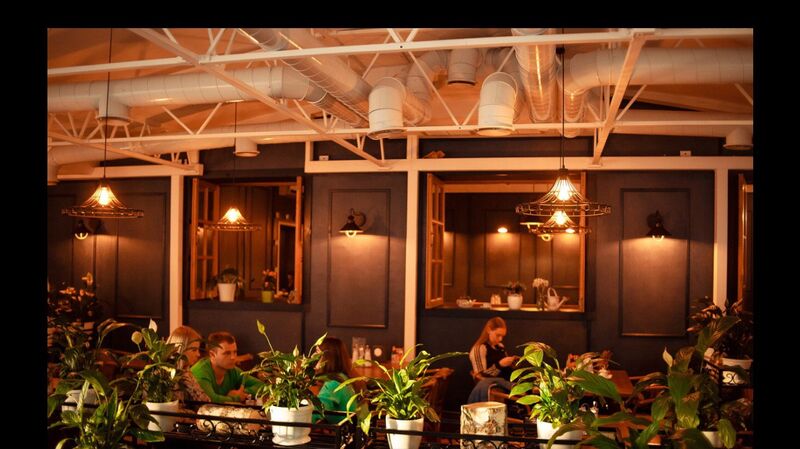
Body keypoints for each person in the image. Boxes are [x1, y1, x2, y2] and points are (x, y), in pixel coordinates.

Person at [191, 331, 264, 403]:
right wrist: (236, 398)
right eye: (227, 353)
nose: (233, 357)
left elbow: (262, 386)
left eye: (235, 352)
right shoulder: (201, 372)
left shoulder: (232, 370)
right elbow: (210, 400)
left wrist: (242, 392)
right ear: (212, 355)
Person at [467, 317, 517, 403]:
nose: (500, 339)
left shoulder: (500, 347)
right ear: (489, 330)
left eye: (502, 336)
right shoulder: (479, 349)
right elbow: (480, 377)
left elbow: (505, 369)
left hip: (507, 384)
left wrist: (512, 363)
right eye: (498, 335)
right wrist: (499, 365)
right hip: (496, 390)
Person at [313, 337, 356, 423]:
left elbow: (316, 414)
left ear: (327, 358)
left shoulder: (334, 383)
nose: (313, 357)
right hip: (350, 429)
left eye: (317, 354)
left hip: (343, 430)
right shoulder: (342, 377)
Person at [167, 325, 210, 403]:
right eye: (194, 350)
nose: (198, 354)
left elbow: (205, 401)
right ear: (180, 349)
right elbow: (203, 402)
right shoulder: (166, 376)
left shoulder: (186, 372)